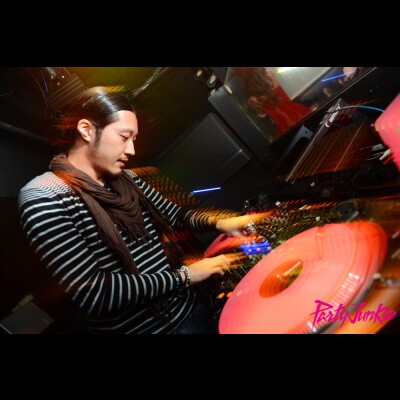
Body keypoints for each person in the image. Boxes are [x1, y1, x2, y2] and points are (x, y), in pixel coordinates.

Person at [17, 86, 256, 334]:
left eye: (134, 140)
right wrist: (185, 276)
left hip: (191, 308)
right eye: (124, 137)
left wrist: (219, 222)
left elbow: (175, 216)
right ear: (87, 130)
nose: (131, 150)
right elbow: (95, 294)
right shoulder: (44, 196)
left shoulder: (128, 179)